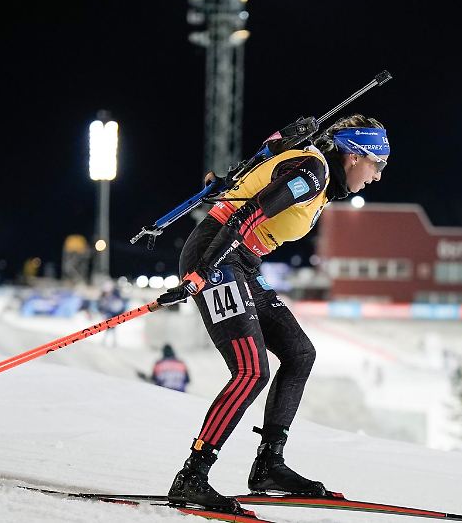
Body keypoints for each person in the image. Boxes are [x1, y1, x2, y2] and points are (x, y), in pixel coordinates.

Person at [156, 114, 389, 513]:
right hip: (217, 254)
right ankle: (192, 475)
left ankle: (268, 464)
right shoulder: (312, 173)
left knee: (300, 353)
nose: (378, 176)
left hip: (242, 261)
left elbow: (265, 159)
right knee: (251, 370)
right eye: (377, 164)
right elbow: (246, 216)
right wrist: (203, 271)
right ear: (354, 156)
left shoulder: (318, 176)